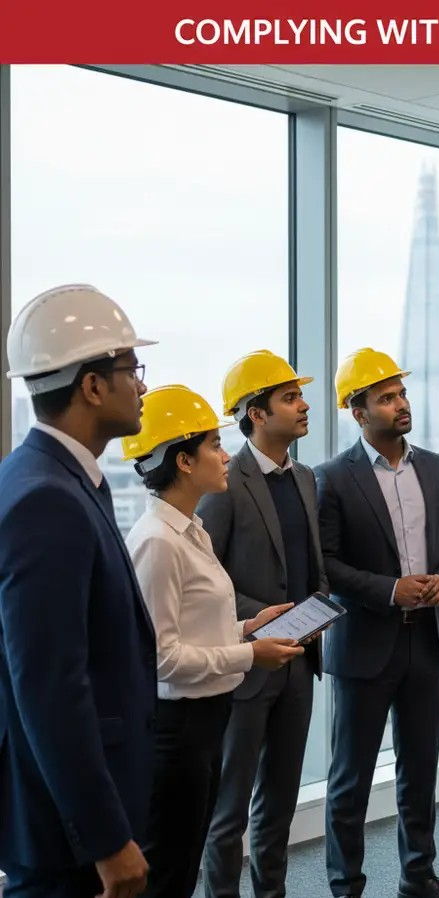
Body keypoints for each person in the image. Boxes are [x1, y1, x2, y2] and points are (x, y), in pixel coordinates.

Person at [0, 284, 157, 898]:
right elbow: (49, 685)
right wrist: (106, 839)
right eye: (130, 369)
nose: (141, 385)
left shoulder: (49, 477)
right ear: (91, 386)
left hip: (64, 816)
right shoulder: (47, 498)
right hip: (65, 835)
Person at [121, 384, 305, 898]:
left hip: (206, 718)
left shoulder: (191, 530)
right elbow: (162, 659)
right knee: (170, 870)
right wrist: (252, 653)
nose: (226, 456)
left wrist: (248, 626)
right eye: (213, 448)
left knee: (184, 857)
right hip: (178, 727)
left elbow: (192, 628)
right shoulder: (157, 542)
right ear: (183, 460)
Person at [316, 348, 439, 898]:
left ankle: (418, 874)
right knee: (350, 778)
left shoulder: (435, 466)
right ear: (357, 412)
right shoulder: (332, 477)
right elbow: (326, 565)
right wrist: (388, 590)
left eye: (401, 394)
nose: (401, 404)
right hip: (364, 645)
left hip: (428, 642)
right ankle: (345, 885)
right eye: (386, 398)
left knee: (420, 770)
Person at [200, 350, 329, 898]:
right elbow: (208, 580)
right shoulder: (223, 481)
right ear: (256, 412)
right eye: (290, 397)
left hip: (299, 662)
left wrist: (316, 610)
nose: (304, 406)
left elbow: (308, 566)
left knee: (279, 800)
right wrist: (262, 622)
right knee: (229, 810)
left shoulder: (303, 477)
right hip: (247, 664)